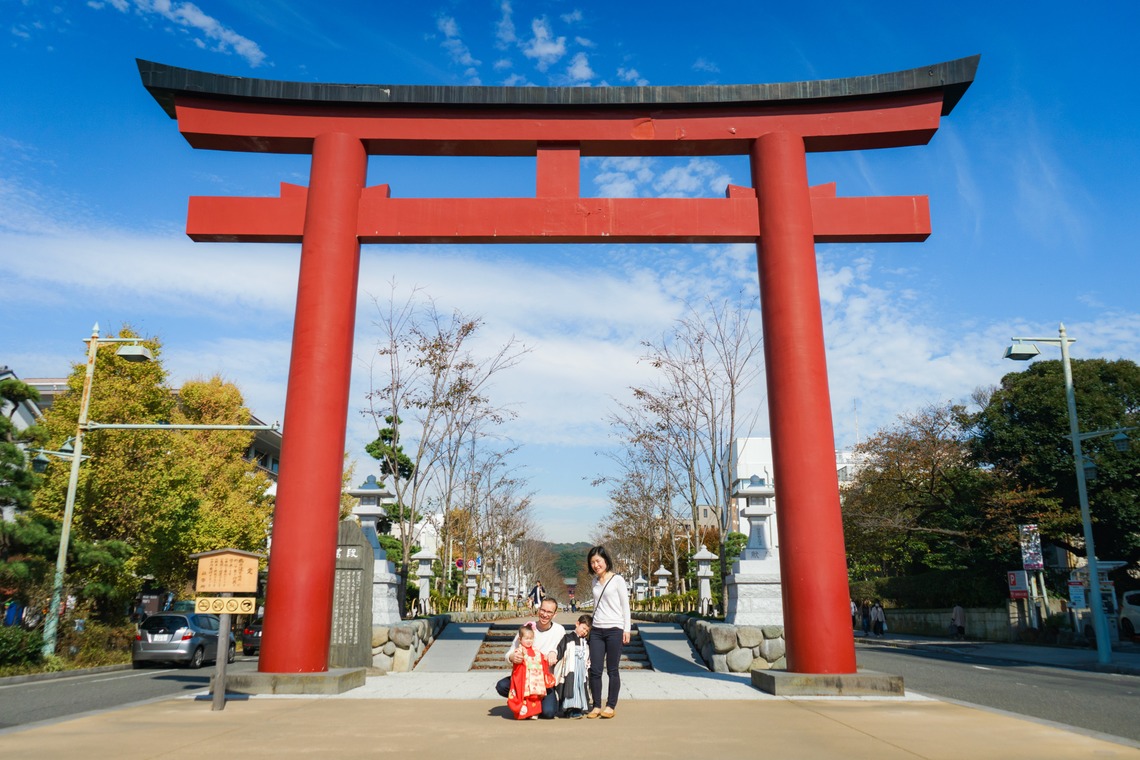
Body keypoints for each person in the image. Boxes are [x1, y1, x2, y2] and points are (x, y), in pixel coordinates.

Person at [495, 597, 565, 718]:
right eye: (543, 610)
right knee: (502, 686)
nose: (545, 614)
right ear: (538, 610)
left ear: (554, 614)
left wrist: (555, 652)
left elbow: (563, 650)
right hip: (524, 678)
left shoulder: (559, 630)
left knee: (548, 713)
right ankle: (522, 702)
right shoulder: (527, 628)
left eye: (549, 612)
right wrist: (512, 657)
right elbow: (510, 652)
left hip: (543, 681)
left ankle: (537, 703)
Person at [585, 545, 630, 720]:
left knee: (612, 669)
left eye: (598, 561)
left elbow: (625, 606)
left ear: (606, 561)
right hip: (597, 629)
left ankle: (610, 705)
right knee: (595, 669)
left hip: (614, 629)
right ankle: (596, 705)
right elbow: (596, 606)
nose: (596, 565)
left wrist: (627, 629)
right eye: (592, 562)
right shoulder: (594, 582)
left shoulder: (618, 580)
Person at [506, 623, 555, 720]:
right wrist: (513, 657)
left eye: (531, 638)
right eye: (526, 638)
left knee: (535, 697)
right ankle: (523, 713)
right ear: (520, 639)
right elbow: (514, 660)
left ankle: (534, 712)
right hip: (524, 678)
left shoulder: (536, 651)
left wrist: (546, 658)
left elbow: (542, 658)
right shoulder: (519, 651)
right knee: (524, 697)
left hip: (536, 679)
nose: (529, 641)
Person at [554, 614, 592, 718]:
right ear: (577, 624)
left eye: (587, 631)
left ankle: (578, 707)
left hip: (581, 670)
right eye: (583, 628)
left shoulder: (586, 642)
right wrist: (555, 656)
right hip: (570, 668)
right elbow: (560, 650)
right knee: (569, 686)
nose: (584, 632)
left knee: (580, 687)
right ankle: (569, 708)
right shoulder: (567, 638)